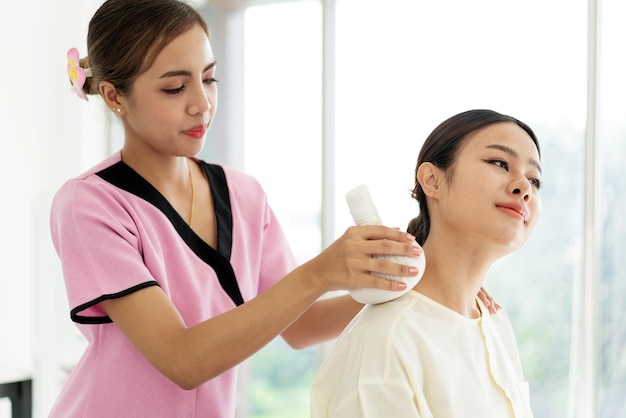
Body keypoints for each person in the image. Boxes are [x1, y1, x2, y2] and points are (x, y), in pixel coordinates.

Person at [50, 1, 422, 416]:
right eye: (175, 88)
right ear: (113, 95)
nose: (202, 104)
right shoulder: (91, 205)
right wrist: (323, 271)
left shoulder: (244, 196)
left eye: (209, 79)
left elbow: (301, 325)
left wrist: (409, 278)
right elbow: (183, 359)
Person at [310, 109, 541, 418]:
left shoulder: (495, 323)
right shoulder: (389, 343)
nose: (524, 188)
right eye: (500, 163)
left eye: (535, 180)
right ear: (432, 180)